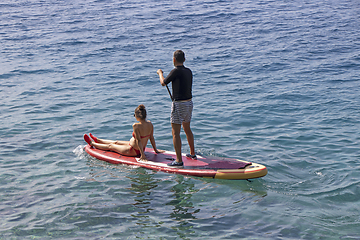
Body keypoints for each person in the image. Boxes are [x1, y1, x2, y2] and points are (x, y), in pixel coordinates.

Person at [157, 50, 196, 167]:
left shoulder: (175, 71)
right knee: (187, 129)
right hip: (189, 103)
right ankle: (192, 153)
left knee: (175, 133)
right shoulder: (188, 71)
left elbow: (163, 83)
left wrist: (160, 73)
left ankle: (178, 160)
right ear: (184, 60)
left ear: (174, 60)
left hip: (179, 105)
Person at [83, 104, 163, 161]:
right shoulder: (150, 124)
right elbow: (151, 138)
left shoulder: (136, 125)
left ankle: (92, 143)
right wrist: (155, 150)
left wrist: (142, 155)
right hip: (134, 146)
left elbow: (138, 140)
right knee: (116, 142)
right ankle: (98, 140)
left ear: (137, 116)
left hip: (133, 150)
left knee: (111, 146)